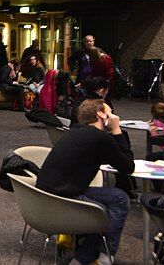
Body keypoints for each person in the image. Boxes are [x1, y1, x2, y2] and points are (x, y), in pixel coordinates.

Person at [36, 98, 134, 265]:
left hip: (41, 198)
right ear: (101, 114)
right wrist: (117, 129)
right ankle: (102, 256)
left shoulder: (74, 132)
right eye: (109, 111)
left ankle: (84, 254)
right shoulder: (100, 138)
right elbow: (128, 166)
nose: (114, 115)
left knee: (114, 198)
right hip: (63, 199)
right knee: (115, 203)